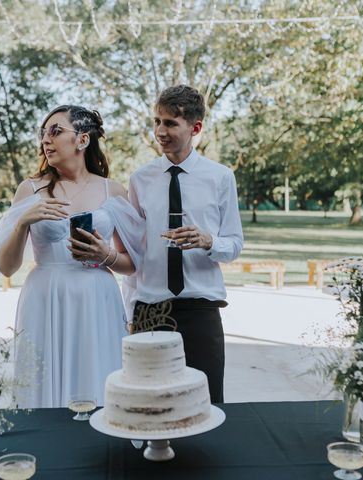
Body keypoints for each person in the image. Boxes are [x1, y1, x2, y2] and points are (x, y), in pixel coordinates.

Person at [0, 105, 143, 408]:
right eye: (43, 133)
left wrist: (106, 255)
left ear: (83, 139)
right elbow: (7, 267)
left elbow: (132, 263)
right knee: (44, 379)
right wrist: (22, 223)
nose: (46, 140)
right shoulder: (29, 189)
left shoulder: (113, 191)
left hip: (97, 299)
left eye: (56, 131)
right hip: (45, 297)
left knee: (96, 376)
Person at [126, 85, 243, 403]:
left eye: (170, 123)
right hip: (151, 310)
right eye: (156, 121)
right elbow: (135, 253)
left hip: (201, 310)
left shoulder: (220, 178)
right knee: (152, 405)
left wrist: (208, 241)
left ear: (195, 128)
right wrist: (131, 312)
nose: (160, 131)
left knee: (204, 404)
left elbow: (234, 245)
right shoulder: (139, 180)